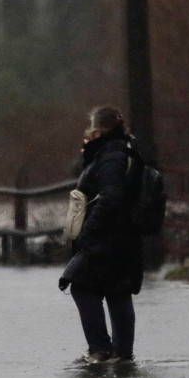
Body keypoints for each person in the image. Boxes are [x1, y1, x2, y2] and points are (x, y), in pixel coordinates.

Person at [58, 106, 144, 364]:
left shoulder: (110, 156)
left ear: (99, 130)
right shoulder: (126, 151)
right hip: (125, 234)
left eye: (90, 130)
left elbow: (110, 197)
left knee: (82, 287)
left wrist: (89, 230)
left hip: (107, 236)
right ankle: (122, 353)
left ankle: (101, 350)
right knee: (118, 289)